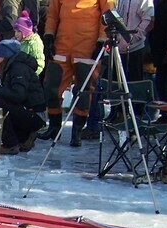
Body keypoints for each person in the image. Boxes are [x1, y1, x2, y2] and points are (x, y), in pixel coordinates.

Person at [38, 0, 113, 146]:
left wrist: (102, 40)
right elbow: (53, 13)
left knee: (84, 92)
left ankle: (77, 132)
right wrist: (49, 34)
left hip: (88, 45)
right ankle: (54, 128)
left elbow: (108, 14)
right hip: (62, 44)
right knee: (51, 87)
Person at [0, 39, 47, 154]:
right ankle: (25, 136)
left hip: (34, 114)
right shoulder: (11, 67)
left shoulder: (19, 69)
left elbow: (18, 96)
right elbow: (9, 94)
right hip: (24, 111)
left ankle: (11, 145)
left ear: (6, 55)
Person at [14, 10, 45, 75]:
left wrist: (31, 76)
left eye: (19, 31)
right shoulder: (17, 42)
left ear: (25, 32)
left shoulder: (34, 43)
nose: (16, 34)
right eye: (15, 31)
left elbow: (39, 64)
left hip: (29, 79)